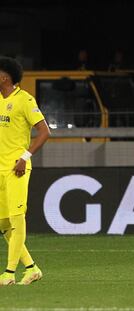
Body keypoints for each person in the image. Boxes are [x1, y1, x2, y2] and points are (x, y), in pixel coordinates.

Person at [0, 56, 50, 285]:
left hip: (17, 168)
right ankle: (31, 268)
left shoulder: (24, 100)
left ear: (5, 77)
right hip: (0, 169)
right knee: (2, 224)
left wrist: (24, 157)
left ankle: (9, 273)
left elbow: (44, 131)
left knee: (16, 218)